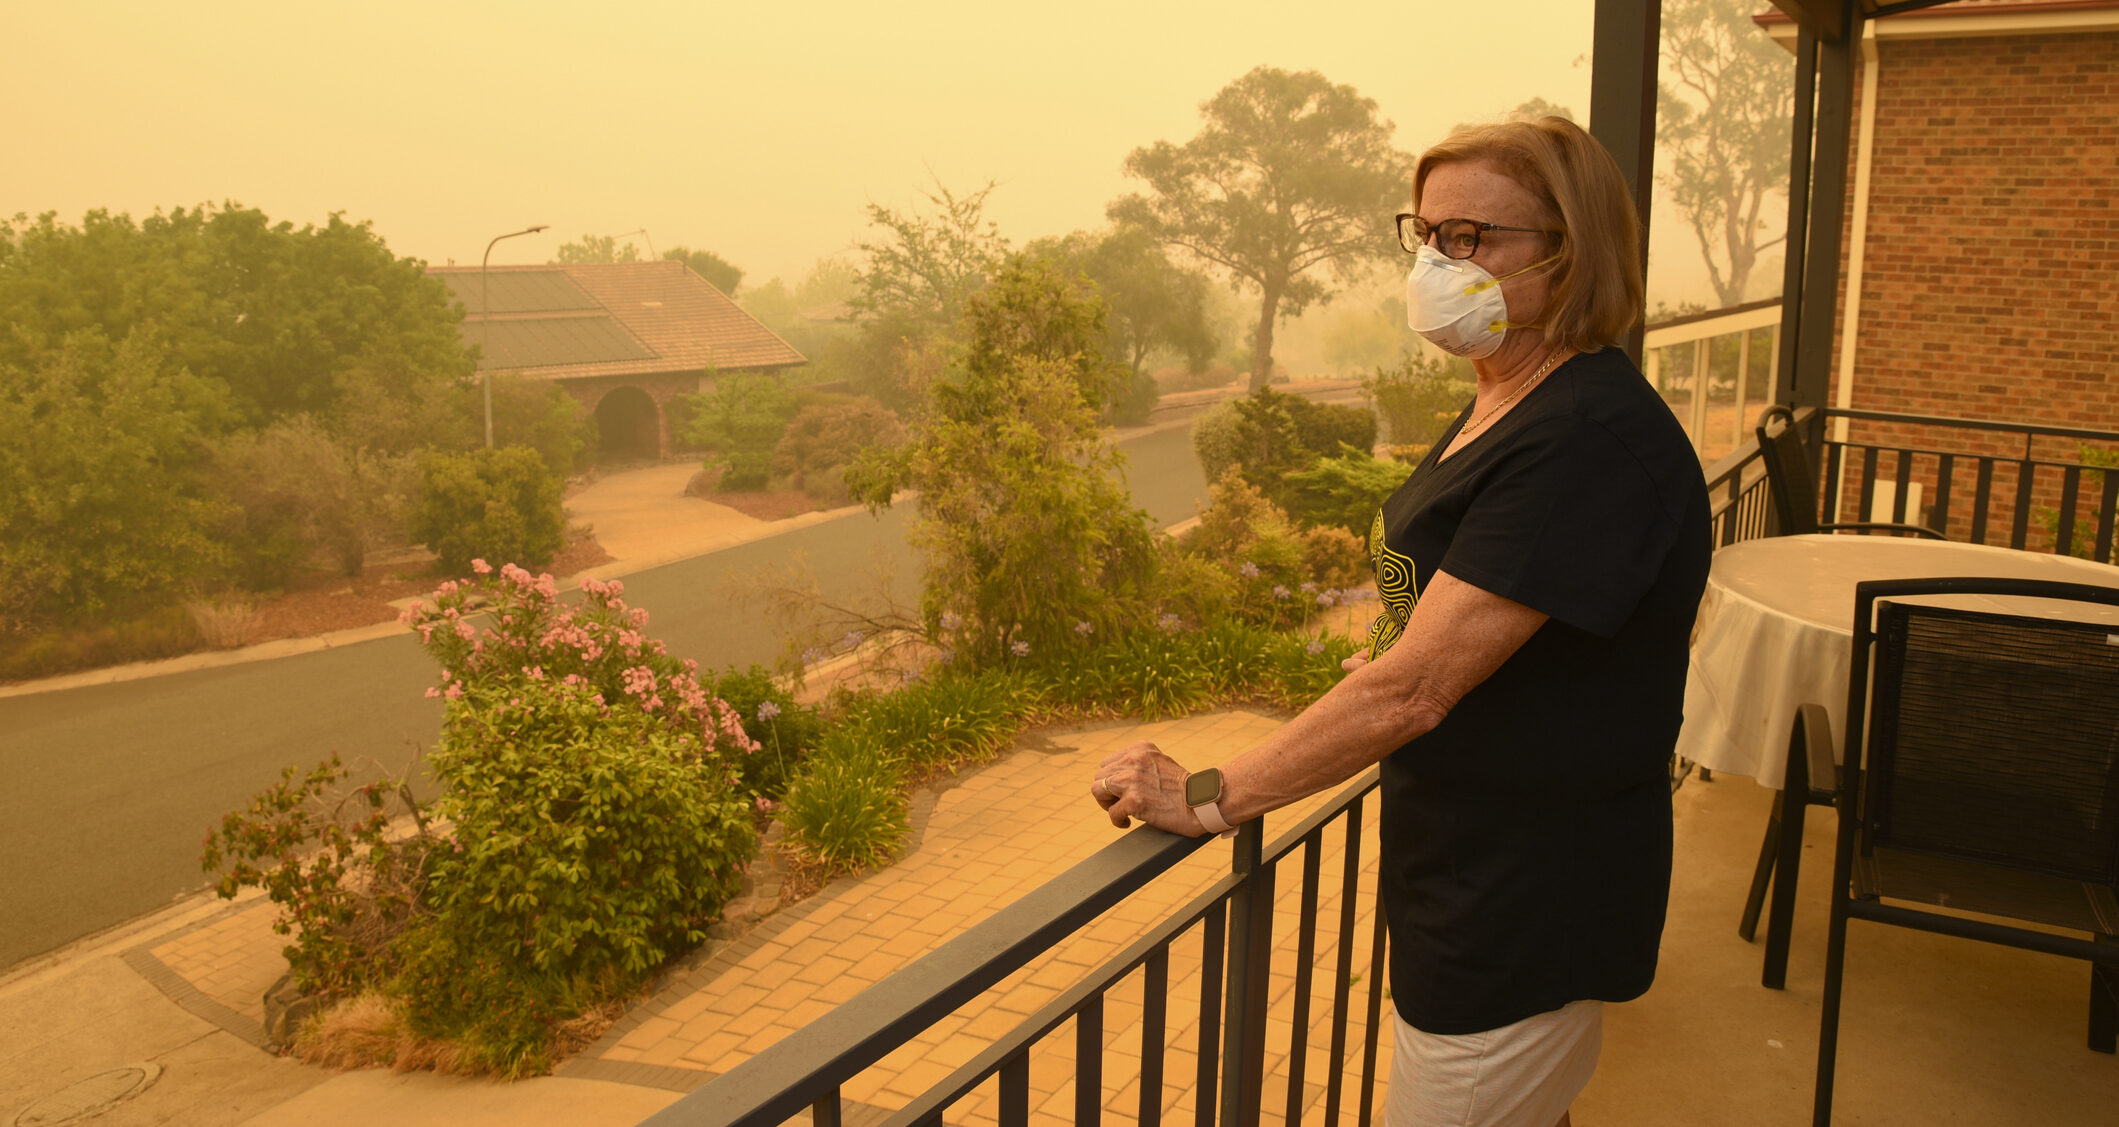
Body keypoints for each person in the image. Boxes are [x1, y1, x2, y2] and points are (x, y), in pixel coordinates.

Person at [1089, 116, 1710, 1127]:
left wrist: (1208, 792)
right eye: (1425, 234)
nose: (1438, 261)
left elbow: (1418, 686)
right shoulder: (1506, 399)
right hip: (1471, 871)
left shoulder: (1582, 441)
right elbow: (1449, 621)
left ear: (1571, 250)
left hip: (1523, 904)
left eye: (1473, 238)